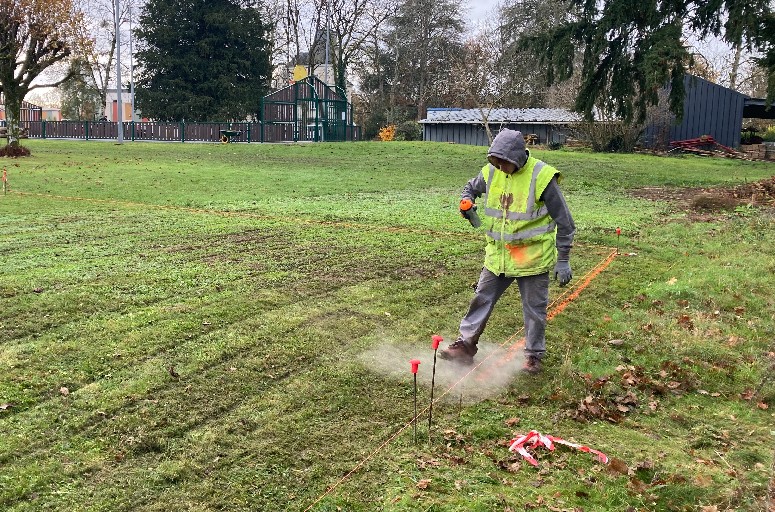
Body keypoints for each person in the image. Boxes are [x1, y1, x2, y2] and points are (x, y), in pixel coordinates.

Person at [439, 129, 576, 374]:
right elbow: (470, 187)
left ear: (517, 157)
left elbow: (565, 222)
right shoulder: (491, 172)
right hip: (498, 256)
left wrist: (563, 259)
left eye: (504, 162)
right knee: (481, 299)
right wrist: (467, 201)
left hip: (531, 258)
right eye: (496, 161)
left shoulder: (542, 177)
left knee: (534, 309)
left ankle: (533, 356)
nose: (500, 167)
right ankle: (465, 347)